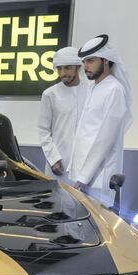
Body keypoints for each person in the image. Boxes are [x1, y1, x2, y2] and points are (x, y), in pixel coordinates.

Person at [69, 34, 132, 206]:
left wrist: (83, 177)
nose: (85, 66)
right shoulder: (94, 87)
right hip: (83, 178)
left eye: (90, 61)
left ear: (105, 61)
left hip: (98, 179)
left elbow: (105, 138)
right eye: (84, 62)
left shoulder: (114, 90)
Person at [37, 46, 87, 181]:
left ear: (77, 67)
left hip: (86, 164)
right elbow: (43, 130)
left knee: (87, 201)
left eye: (67, 68)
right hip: (59, 164)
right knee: (59, 200)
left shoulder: (91, 91)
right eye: (59, 68)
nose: (63, 73)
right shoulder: (50, 94)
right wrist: (53, 158)